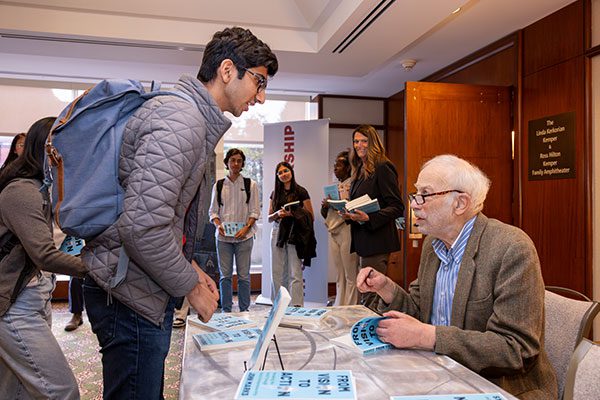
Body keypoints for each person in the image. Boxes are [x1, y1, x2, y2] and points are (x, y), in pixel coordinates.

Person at [81, 27, 278, 399]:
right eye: (259, 81)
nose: (261, 96)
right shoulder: (180, 119)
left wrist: (190, 265)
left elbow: (164, 217)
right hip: (130, 292)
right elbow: (142, 228)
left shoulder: (187, 117)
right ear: (226, 70)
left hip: (135, 284)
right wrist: (190, 287)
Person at [357, 154, 557, 400]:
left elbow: (515, 349)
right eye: (415, 194)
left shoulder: (511, 248)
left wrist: (428, 336)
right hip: (438, 375)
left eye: (425, 195)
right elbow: (419, 312)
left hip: (498, 387)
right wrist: (386, 287)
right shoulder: (433, 246)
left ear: (460, 204)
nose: (414, 204)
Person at [0, 117, 87, 400]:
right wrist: (96, 269)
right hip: (13, 304)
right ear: (49, 149)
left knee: (19, 392)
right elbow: (44, 254)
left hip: (34, 295)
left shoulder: (41, 188)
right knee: (62, 391)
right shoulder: (22, 191)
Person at [340, 124, 404, 309]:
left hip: (378, 240)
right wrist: (348, 213)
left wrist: (369, 218)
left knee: (370, 294)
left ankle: (371, 333)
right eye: (356, 141)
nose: (359, 145)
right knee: (367, 293)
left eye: (364, 141)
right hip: (363, 241)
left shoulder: (383, 167)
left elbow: (397, 206)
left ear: (373, 142)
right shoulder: (359, 170)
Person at [209, 148, 260, 312]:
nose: (236, 163)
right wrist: (218, 225)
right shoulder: (218, 185)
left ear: (242, 163)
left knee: (244, 276)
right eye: (232, 160)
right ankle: (226, 310)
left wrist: (246, 228)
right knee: (225, 277)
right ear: (227, 163)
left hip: (244, 238)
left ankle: (245, 310)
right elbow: (213, 211)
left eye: (239, 160)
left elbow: (254, 211)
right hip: (223, 239)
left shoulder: (250, 185)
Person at [268, 161, 315, 306]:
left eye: (286, 171)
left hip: (296, 233)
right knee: (277, 272)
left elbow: (311, 216)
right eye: (280, 172)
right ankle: (278, 305)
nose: (283, 174)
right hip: (278, 232)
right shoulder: (275, 193)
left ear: (291, 171)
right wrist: (278, 213)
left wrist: (294, 213)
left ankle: (296, 307)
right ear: (277, 176)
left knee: (295, 272)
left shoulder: (301, 191)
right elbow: (269, 218)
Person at [320, 150, 359, 305]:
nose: (335, 168)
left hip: (348, 229)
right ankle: (339, 304)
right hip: (333, 229)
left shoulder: (355, 185)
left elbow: (357, 208)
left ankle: (351, 307)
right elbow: (325, 214)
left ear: (349, 167)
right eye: (334, 165)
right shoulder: (335, 187)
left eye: (339, 165)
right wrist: (326, 205)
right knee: (340, 272)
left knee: (350, 273)